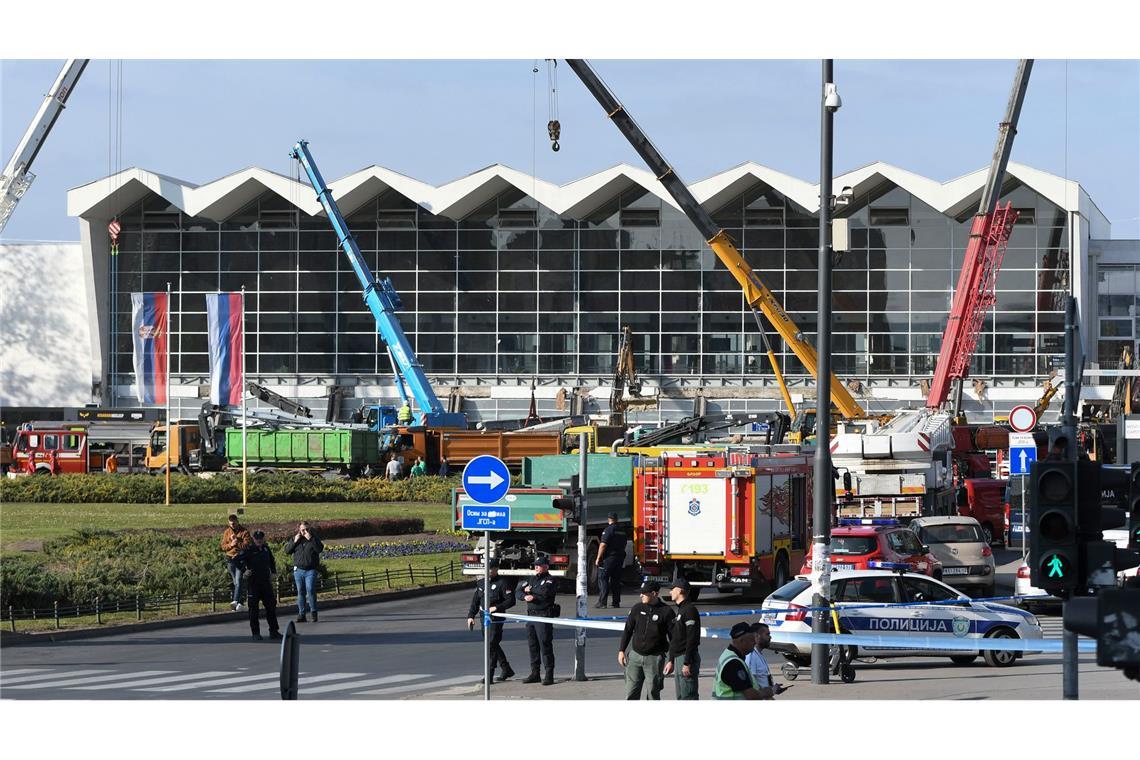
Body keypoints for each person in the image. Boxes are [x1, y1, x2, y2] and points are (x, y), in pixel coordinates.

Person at [618, 581, 676, 700]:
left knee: (653, 693)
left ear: (654, 594)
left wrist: (671, 660)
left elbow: (673, 638)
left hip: (654, 659)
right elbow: (628, 630)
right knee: (631, 693)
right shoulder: (637, 608)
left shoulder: (666, 611)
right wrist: (621, 650)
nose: (641, 596)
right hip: (635, 657)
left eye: (644, 593)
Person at [466, 558, 516, 683]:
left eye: (490, 568)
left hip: (495, 619)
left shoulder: (503, 582)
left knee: (491, 645)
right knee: (491, 644)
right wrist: (471, 616)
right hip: (484, 618)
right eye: (486, 568)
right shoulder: (481, 583)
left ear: (496, 569)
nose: (487, 571)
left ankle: (489, 674)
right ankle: (506, 669)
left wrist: (497, 607)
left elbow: (511, 600)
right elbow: (476, 601)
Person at [234, 529, 281, 641]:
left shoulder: (266, 548)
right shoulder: (249, 550)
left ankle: (274, 631)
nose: (259, 540)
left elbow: (272, 560)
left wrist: (273, 572)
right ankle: (255, 633)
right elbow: (236, 560)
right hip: (254, 583)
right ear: (253, 539)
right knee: (253, 609)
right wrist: (244, 570)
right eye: (257, 538)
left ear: (263, 538)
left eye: (261, 538)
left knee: (271, 607)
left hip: (266, 583)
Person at [521, 555, 558, 685]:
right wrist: (524, 595)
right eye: (535, 565)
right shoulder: (532, 579)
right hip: (531, 616)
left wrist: (531, 593)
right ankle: (535, 673)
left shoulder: (550, 580)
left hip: (543, 616)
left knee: (545, 645)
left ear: (546, 566)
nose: (536, 567)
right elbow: (518, 591)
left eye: (539, 565)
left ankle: (549, 675)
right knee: (533, 645)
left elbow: (545, 593)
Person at [666, 577, 701, 699]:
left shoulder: (689, 610)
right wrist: (671, 660)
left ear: (680, 590)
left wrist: (687, 662)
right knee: (681, 696)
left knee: (688, 696)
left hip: (686, 658)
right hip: (679, 658)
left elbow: (692, 638)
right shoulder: (681, 610)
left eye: (672, 589)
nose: (670, 592)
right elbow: (676, 638)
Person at [284, 520, 323, 623]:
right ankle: (302, 614)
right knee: (300, 592)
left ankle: (313, 612)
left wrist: (311, 539)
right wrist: (294, 542)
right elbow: (287, 551)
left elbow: (319, 549)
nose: (305, 531)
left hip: (310, 570)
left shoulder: (313, 538)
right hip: (299, 570)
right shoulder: (296, 539)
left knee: (310, 590)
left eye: (307, 529)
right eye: (303, 530)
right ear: (299, 530)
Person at [713, 622, 764, 699]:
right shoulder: (733, 663)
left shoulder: (731, 655)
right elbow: (750, 695)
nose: (755, 642)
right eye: (752, 640)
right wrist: (765, 693)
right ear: (742, 641)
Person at [744, 622, 788, 699]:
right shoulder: (751, 656)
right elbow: (751, 684)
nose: (770, 637)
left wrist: (773, 689)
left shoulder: (758, 654)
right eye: (767, 634)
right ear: (756, 636)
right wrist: (771, 691)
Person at [595, 512, 627, 609]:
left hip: (609, 558)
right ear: (617, 519)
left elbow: (603, 544)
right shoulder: (622, 531)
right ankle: (616, 602)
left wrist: (598, 558)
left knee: (603, 578)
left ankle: (602, 602)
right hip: (620, 557)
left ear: (609, 519)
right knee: (616, 580)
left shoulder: (608, 530)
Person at [220, 514, 252, 611]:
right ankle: (240, 603)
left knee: (238, 580)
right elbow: (223, 546)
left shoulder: (244, 532)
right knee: (236, 582)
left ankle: (234, 601)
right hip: (230, 559)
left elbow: (246, 546)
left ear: (237, 521)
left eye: (234, 524)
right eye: (231, 524)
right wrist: (231, 544)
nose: (232, 526)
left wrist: (237, 542)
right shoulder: (227, 532)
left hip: (240, 558)